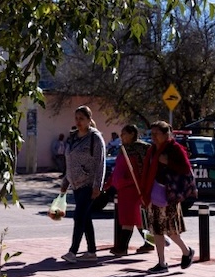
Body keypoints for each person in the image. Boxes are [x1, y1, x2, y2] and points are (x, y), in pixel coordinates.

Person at [143, 120, 194, 272]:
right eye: (152, 134)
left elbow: (186, 169)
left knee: (172, 232)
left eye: (156, 134)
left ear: (166, 134)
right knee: (157, 230)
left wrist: (168, 162)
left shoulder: (174, 149)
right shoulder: (152, 150)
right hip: (154, 194)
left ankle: (187, 252)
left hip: (169, 196)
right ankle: (162, 263)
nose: (153, 137)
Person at [60, 106, 107, 262]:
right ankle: (91, 251)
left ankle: (73, 251)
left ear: (89, 119)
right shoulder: (73, 137)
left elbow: (100, 163)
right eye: (76, 118)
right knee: (85, 218)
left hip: (88, 183)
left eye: (82, 118)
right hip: (75, 183)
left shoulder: (95, 138)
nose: (78, 121)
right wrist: (66, 181)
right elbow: (69, 160)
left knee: (79, 216)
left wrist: (97, 185)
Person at [108, 124, 149, 255]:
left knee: (131, 218)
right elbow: (118, 169)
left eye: (124, 133)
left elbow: (144, 168)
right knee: (135, 219)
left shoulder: (141, 148)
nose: (121, 136)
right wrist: (109, 183)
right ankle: (149, 243)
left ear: (132, 134)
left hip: (134, 188)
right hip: (123, 189)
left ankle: (122, 247)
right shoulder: (123, 149)